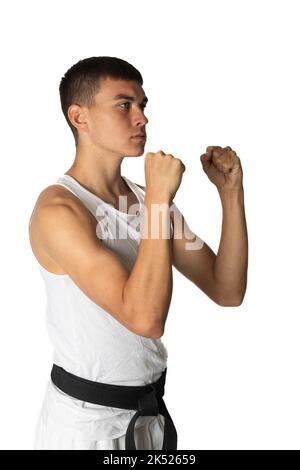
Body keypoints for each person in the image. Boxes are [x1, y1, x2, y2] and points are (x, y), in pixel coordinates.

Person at [28, 56, 248, 450]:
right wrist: (160, 199)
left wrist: (230, 193)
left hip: (148, 420)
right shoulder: (58, 211)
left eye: (143, 105)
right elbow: (145, 318)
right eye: (124, 105)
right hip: (84, 429)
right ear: (80, 117)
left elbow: (226, 289)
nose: (141, 118)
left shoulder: (143, 200)